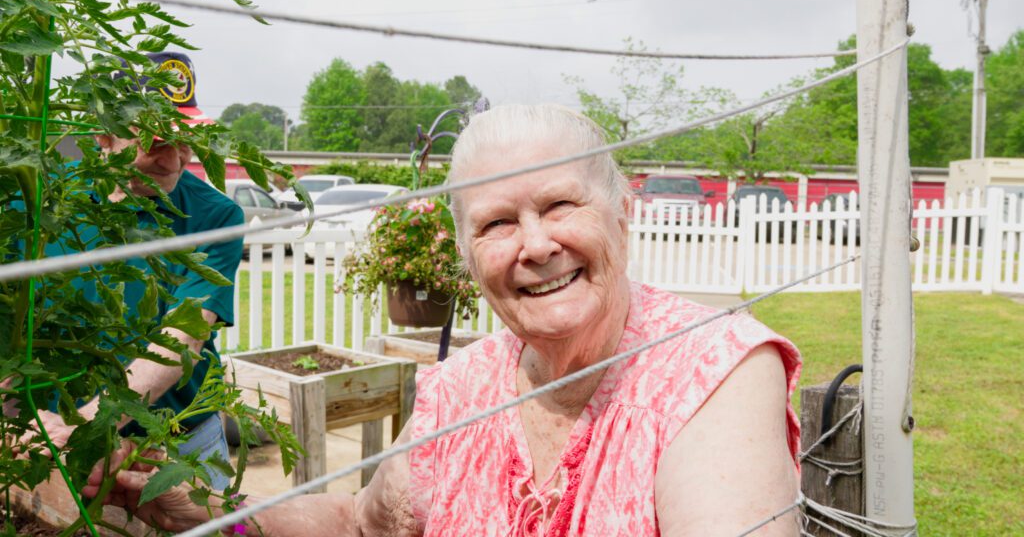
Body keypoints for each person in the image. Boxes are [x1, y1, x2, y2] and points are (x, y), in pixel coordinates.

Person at [85, 104, 800, 535]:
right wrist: (206, 509)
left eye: (559, 206)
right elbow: (365, 526)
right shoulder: (458, 390)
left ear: (623, 212)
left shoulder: (713, 370)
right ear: (466, 255)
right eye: (496, 223)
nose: (536, 244)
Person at [30, 52, 243, 491]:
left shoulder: (215, 216)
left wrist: (89, 426)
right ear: (106, 134)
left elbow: (183, 335)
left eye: (185, 139)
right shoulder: (43, 200)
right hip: (51, 434)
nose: (175, 158)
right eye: (155, 139)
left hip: (181, 443)